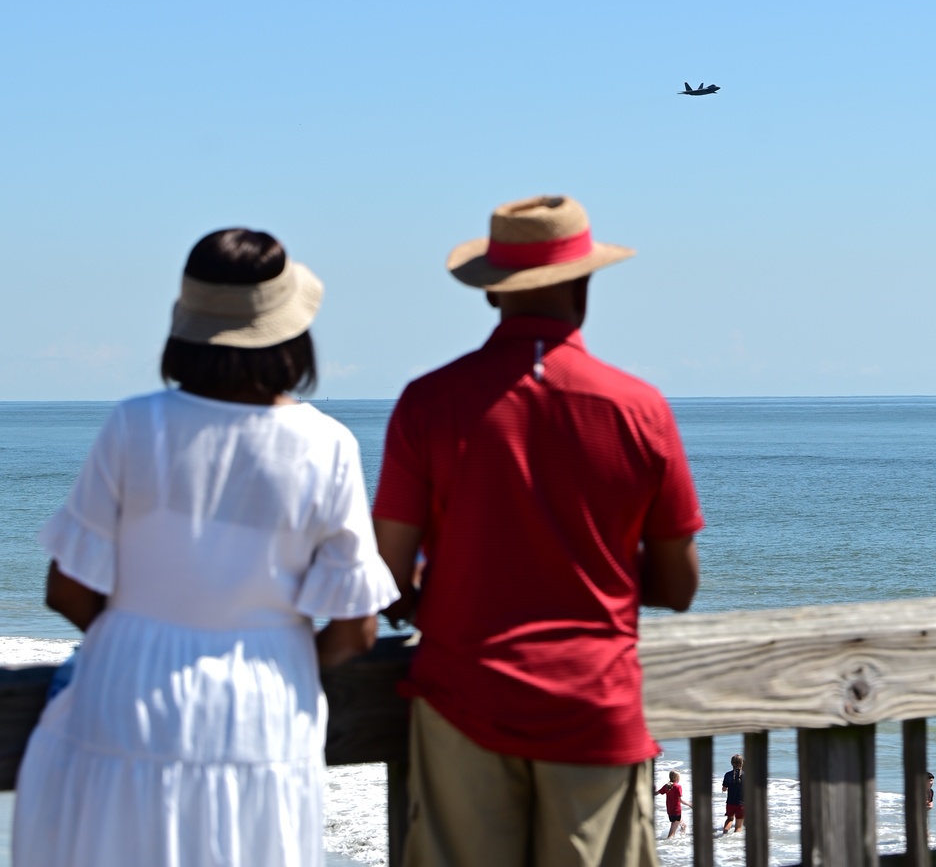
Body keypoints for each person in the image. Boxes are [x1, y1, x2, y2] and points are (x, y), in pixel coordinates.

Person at [13, 228, 399, 867]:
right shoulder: (326, 445)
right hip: (264, 714)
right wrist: (275, 661)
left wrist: (141, 641)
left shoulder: (136, 426)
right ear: (291, 331)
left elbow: (67, 587)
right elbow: (356, 628)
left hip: (124, 697)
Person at [373, 194, 704, 867]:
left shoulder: (429, 402)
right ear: (584, 286)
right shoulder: (639, 408)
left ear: (494, 295)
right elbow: (678, 583)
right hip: (594, 703)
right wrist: (585, 571)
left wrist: (441, 589)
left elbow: (385, 572)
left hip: (462, 694)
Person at [656, 770, 691, 838]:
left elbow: (656, 793)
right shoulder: (678, 786)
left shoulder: (667, 786)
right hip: (676, 811)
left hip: (670, 811)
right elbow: (681, 800)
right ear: (677, 778)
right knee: (671, 834)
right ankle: (667, 845)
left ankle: (681, 839)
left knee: (684, 826)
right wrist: (690, 804)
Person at [722, 754, 745, 833]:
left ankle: (725, 831)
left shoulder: (728, 775)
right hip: (741, 804)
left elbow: (724, 789)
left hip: (730, 803)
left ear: (732, 763)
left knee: (729, 819)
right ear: (742, 763)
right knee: (738, 827)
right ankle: (735, 843)